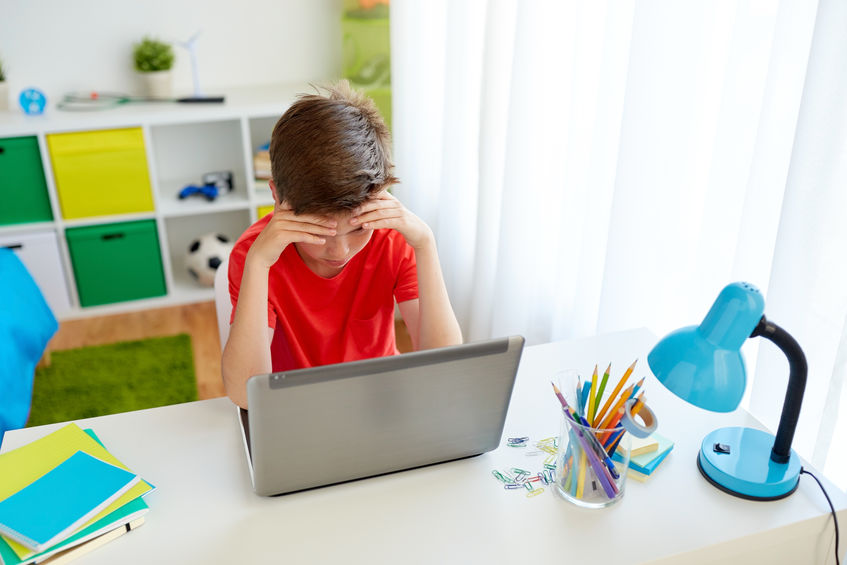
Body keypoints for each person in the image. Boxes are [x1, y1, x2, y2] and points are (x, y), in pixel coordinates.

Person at [222, 81, 463, 409]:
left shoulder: (393, 239)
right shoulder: (255, 254)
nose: (340, 252)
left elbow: (445, 367)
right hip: (295, 406)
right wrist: (258, 264)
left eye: (358, 229)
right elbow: (245, 396)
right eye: (318, 233)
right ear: (277, 196)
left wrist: (425, 243)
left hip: (379, 401)